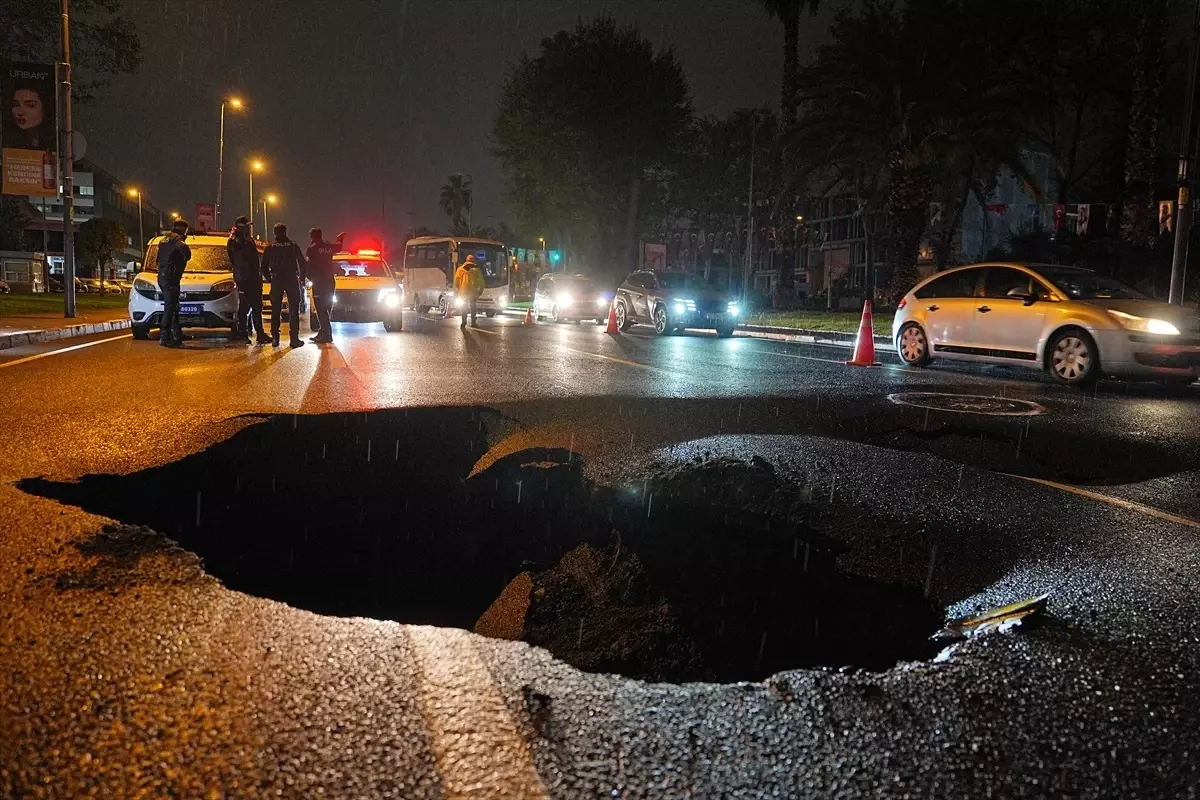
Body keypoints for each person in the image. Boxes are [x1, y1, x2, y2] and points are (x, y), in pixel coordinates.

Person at [260, 222, 307, 347]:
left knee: (275, 309)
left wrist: (270, 279)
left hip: (277, 280)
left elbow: (263, 266)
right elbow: (302, 262)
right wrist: (302, 278)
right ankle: (294, 338)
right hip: (291, 279)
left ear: (274, 233)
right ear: (285, 232)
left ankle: (275, 337)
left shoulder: (270, 246)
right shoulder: (292, 245)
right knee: (293, 309)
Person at [227, 216, 269, 344]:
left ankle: (260, 334)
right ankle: (243, 334)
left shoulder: (247, 239)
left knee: (257, 307)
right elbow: (240, 262)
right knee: (244, 308)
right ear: (241, 227)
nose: (249, 228)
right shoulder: (235, 241)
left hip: (253, 279)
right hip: (245, 280)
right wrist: (244, 278)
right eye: (247, 226)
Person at [156, 219, 192, 348]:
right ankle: (164, 337)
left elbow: (158, 259)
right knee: (170, 307)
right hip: (170, 277)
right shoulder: (176, 239)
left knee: (173, 306)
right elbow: (183, 248)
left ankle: (177, 334)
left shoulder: (164, 239)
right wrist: (187, 255)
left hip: (164, 276)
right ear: (183, 230)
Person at [305, 228, 345, 343]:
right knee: (327, 307)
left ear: (312, 237)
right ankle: (323, 332)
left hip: (319, 283)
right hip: (329, 281)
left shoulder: (312, 249)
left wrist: (308, 278)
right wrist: (340, 238)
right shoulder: (329, 247)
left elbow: (309, 266)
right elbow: (339, 246)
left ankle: (326, 334)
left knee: (320, 308)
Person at [5, 82, 54, 150]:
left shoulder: (56, 141)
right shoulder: (8, 141)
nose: (20, 112)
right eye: (15, 105)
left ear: (45, 107)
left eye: (30, 105)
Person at [453, 253, 485, 329]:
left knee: (463, 306)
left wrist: (457, 290)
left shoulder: (460, 269)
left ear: (466, 260)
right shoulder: (476, 269)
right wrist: (480, 291)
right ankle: (473, 322)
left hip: (463, 292)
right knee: (473, 306)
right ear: (473, 260)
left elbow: (456, 281)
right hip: (473, 292)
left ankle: (464, 321)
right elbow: (481, 281)